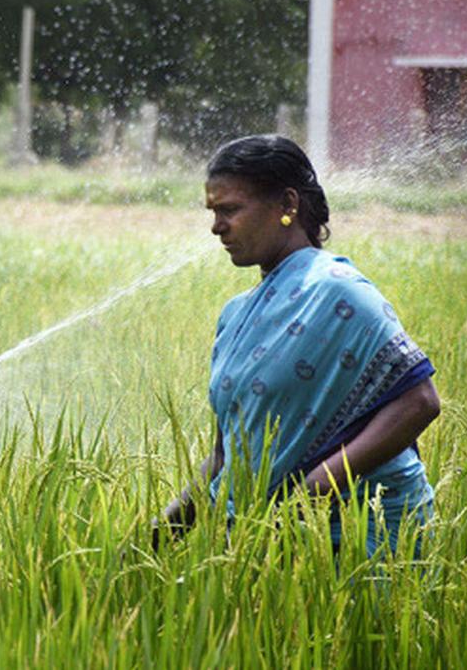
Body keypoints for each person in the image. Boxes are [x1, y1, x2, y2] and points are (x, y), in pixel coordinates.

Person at [155, 134, 440, 556]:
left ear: (288, 205)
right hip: (266, 538)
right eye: (214, 212)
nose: (216, 227)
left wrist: (312, 490)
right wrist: (154, 538)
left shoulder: (340, 293)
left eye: (230, 209)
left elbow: (419, 401)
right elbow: (225, 456)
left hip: (361, 537)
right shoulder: (235, 317)